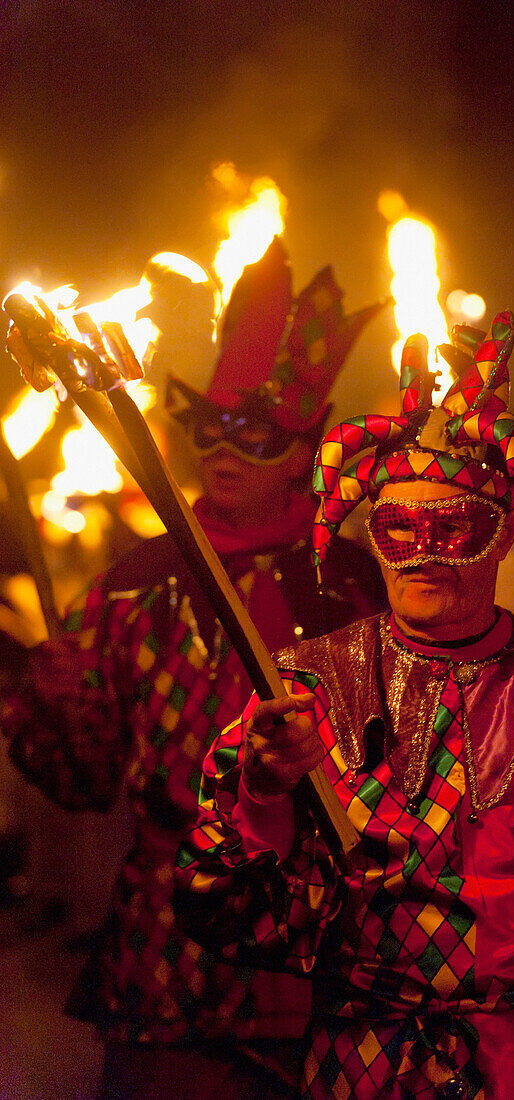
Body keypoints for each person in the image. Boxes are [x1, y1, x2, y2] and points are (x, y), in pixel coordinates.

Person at [175, 315, 514, 1099]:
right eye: (399, 527)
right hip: (365, 1068)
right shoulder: (304, 688)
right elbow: (223, 920)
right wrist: (264, 797)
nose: (425, 551)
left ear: (504, 535)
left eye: (454, 526)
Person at [0, 237, 387, 1099]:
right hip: (169, 940)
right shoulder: (137, 582)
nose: (221, 447)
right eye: (210, 426)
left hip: (321, 949)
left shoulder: (355, 587)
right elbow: (84, 778)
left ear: (301, 449)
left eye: (254, 433)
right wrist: (49, 702)